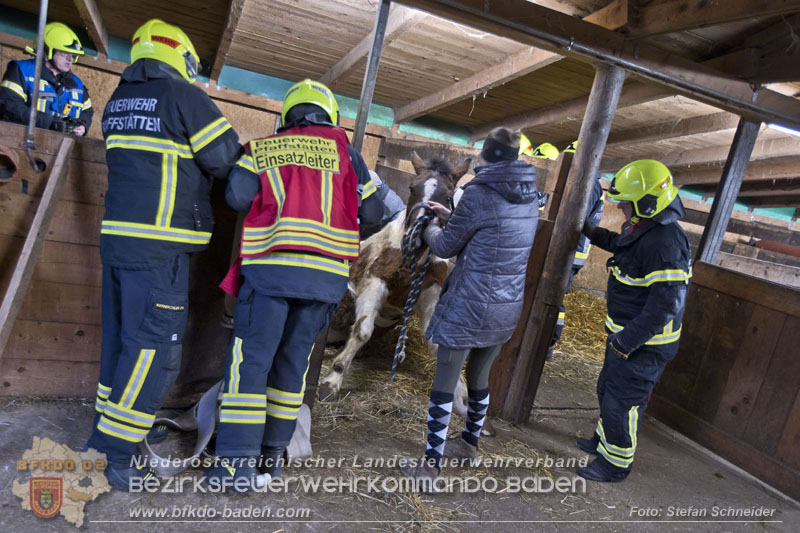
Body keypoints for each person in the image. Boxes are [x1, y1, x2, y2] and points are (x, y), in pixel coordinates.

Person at [205, 78, 384, 491]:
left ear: (287, 114)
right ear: (330, 116)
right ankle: (271, 461)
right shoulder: (349, 155)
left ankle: (234, 467)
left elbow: (236, 197)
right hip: (324, 282)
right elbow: (374, 213)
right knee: (292, 365)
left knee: (250, 366)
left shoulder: (263, 148)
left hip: (270, 276)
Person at [86, 19, 241, 491]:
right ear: (181, 56)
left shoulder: (119, 99)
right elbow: (225, 158)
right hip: (159, 248)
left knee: (121, 345)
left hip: (119, 242)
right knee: (153, 353)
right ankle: (115, 454)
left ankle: (110, 432)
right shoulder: (184, 97)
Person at [399, 127, 539, 490]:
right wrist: (453, 214)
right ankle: (468, 445)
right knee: (479, 378)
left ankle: (430, 467)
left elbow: (445, 247)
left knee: (444, 384)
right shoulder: (529, 196)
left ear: (486, 158)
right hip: (505, 306)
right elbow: (492, 233)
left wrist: (429, 226)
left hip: (469, 304)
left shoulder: (479, 192)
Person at [575, 159, 691, 482]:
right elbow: (622, 246)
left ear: (647, 203)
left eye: (626, 203)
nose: (621, 208)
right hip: (626, 339)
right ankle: (603, 443)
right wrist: (591, 232)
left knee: (622, 403)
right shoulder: (644, 228)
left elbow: (665, 305)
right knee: (607, 390)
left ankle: (616, 464)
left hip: (644, 345)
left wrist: (626, 342)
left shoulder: (665, 244)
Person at [548, 140, 605, 360]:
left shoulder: (587, 185)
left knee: (553, 296)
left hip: (569, 252)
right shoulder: (590, 183)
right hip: (572, 252)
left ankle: (548, 341)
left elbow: (574, 218)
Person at [0, 22, 93, 135]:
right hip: (20, 140)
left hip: (61, 145)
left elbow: (87, 111)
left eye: (73, 55)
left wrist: (82, 126)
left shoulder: (77, 84)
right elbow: (9, 105)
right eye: (65, 53)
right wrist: (48, 122)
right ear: (47, 50)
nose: (70, 59)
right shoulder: (22, 71)